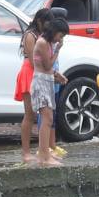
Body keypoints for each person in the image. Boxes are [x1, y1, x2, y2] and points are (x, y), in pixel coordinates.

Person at [30, 16, 68, 167]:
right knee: (46, 120)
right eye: (61, 35)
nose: (60, 39)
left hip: (47, 81)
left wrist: (57, 75)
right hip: (41, 82)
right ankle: (43, 156)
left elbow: (48, 68)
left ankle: (45, 154)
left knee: (49, 119)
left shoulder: (48, 43)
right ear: (54, 31)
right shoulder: (42, 42)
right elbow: (47, 65)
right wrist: (58, 50)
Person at [15, 8, 49, 164]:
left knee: (41, 114)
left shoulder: (42, 35)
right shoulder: (30, 35)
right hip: (30, 73)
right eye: (46, 23)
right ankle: (26, 153)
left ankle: (43, 151)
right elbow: (33, 60)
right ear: (40, 21)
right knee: (30, 114)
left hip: (39, 73)